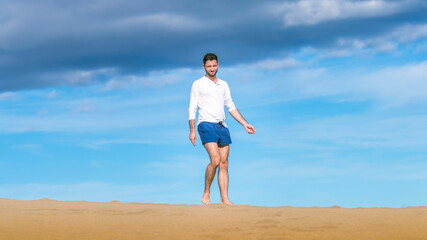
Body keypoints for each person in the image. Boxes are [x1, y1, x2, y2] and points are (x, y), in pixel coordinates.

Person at [188, 53, 256, 205]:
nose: (212, 69)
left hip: (222, 125)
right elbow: (192, 108)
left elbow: (230, 106)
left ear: (218, 65)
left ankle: (225, 199)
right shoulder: (198, 84)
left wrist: (245, 124)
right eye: (208, 66)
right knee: (216, 160)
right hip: (205, 124)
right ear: (203, 67)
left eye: (214, 66)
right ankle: (206, 193)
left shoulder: (223, 84)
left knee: (224, 162)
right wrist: (192, 130)